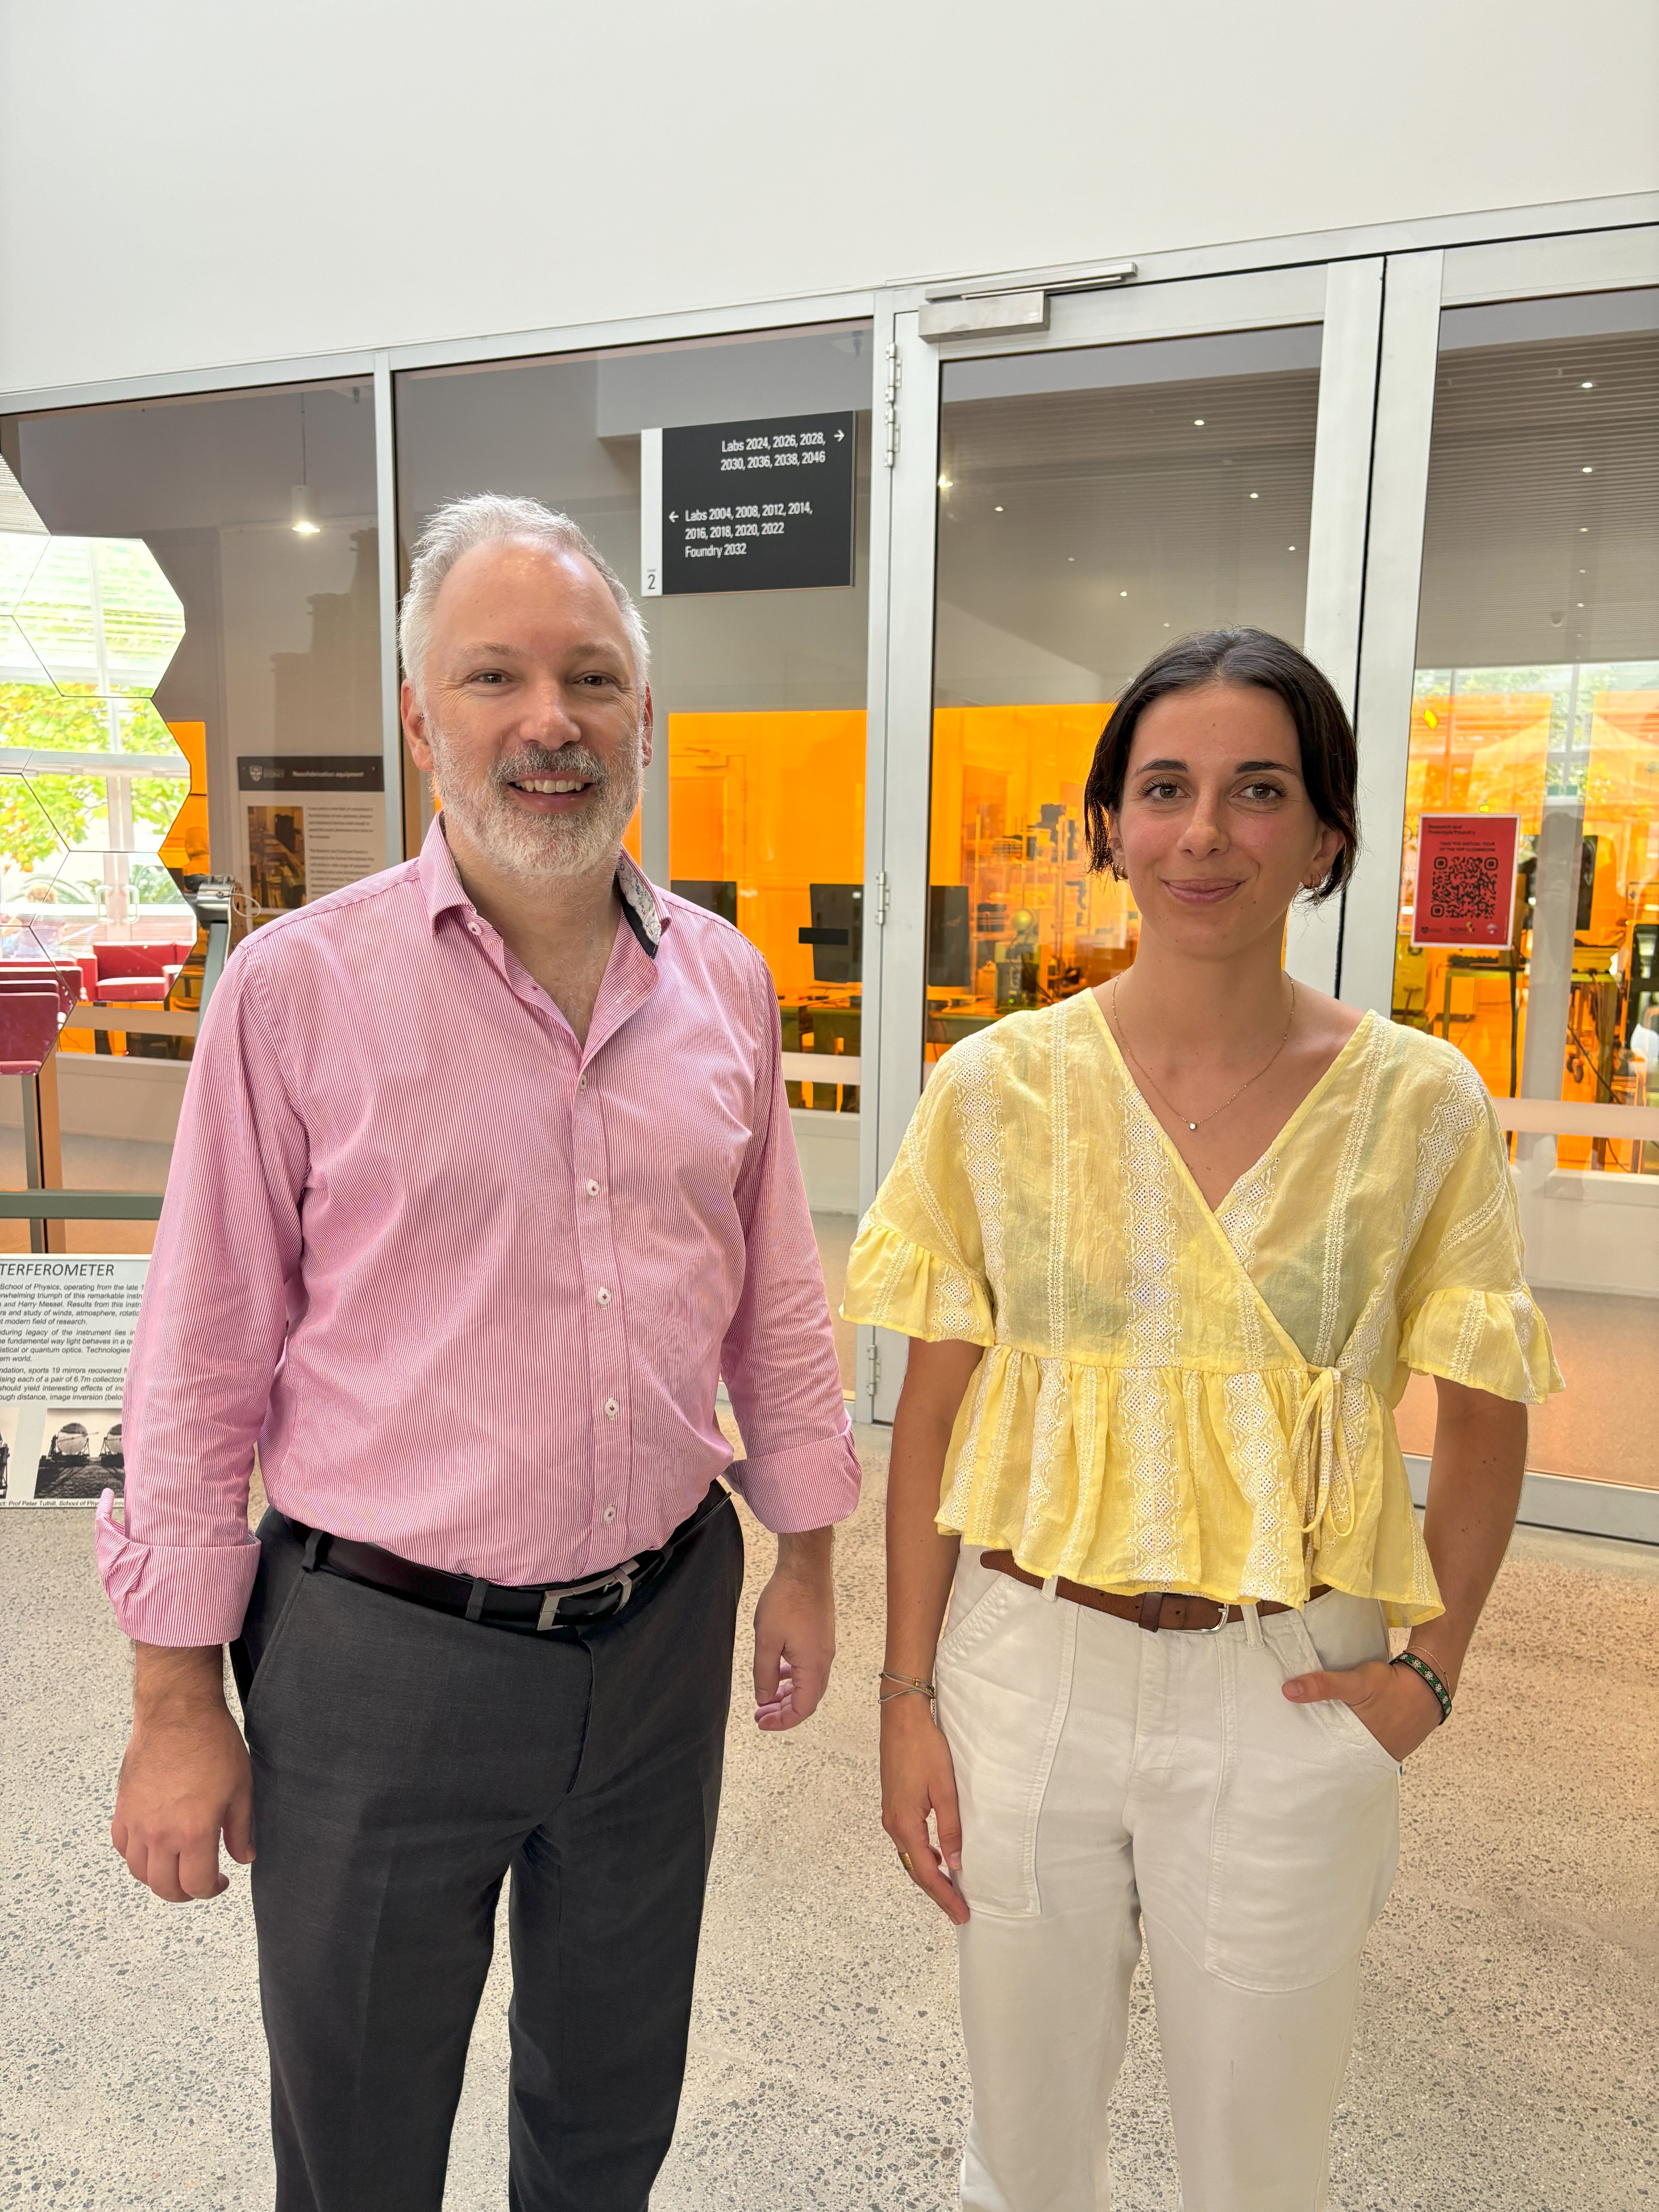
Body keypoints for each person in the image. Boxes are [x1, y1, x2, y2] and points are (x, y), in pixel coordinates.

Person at [99, 493, 860, 2212]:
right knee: (360, 2141)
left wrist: (805, 1555)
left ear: (642, 721)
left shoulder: (725, 986)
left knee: (609, 2116)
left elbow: (777, 1301)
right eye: (496, 677)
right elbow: (200, 1363)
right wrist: (172, 1701)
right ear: (419, 721)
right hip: (380, 1660)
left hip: (661, 1632)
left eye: (592, 679)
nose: (550, 722)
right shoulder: (297, 997)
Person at [845, 628, 1561, 2212]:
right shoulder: (998, 1088)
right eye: (1163, 790)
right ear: (1108, 825)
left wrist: (1429, 1677)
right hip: (1030, 1666)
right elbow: (935, 1411)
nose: (1204, 834)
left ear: (1325, 836)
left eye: (1258, 792)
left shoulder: (1418, 1102)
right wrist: (908, 1694)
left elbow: (1487, 1409)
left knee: (1262, 2165)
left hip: (1291, 1680)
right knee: (1022, 2154)